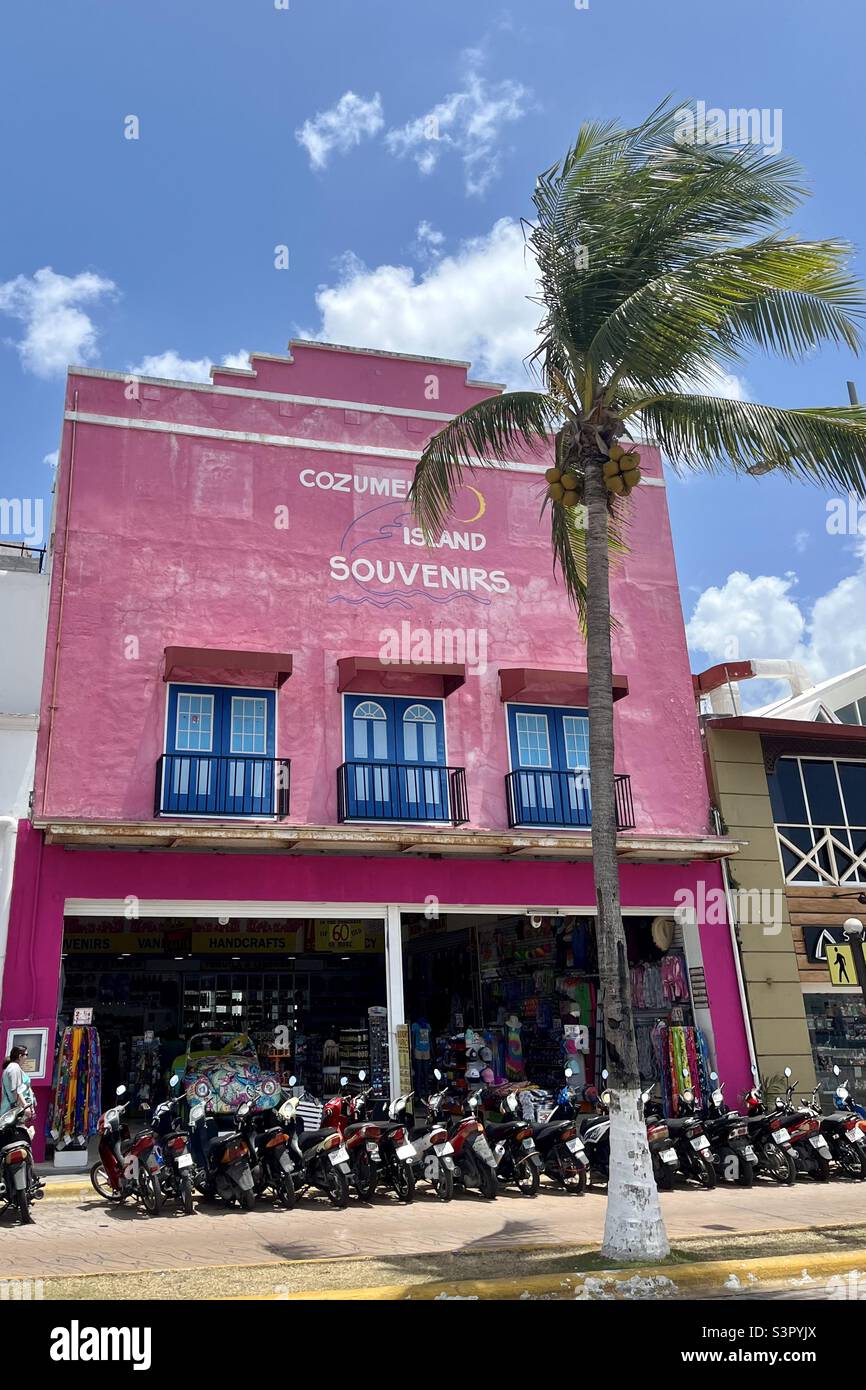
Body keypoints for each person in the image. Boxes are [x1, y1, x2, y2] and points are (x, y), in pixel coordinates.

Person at [1, 1046, 34, 1116]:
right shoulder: (14, 1068)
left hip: (14, 1110)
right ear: (20, 1056)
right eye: (26, 1055)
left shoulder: (14, 1067)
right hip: (13, 1111)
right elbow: (16, 1090)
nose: (27, 1057)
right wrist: (25, 1106)